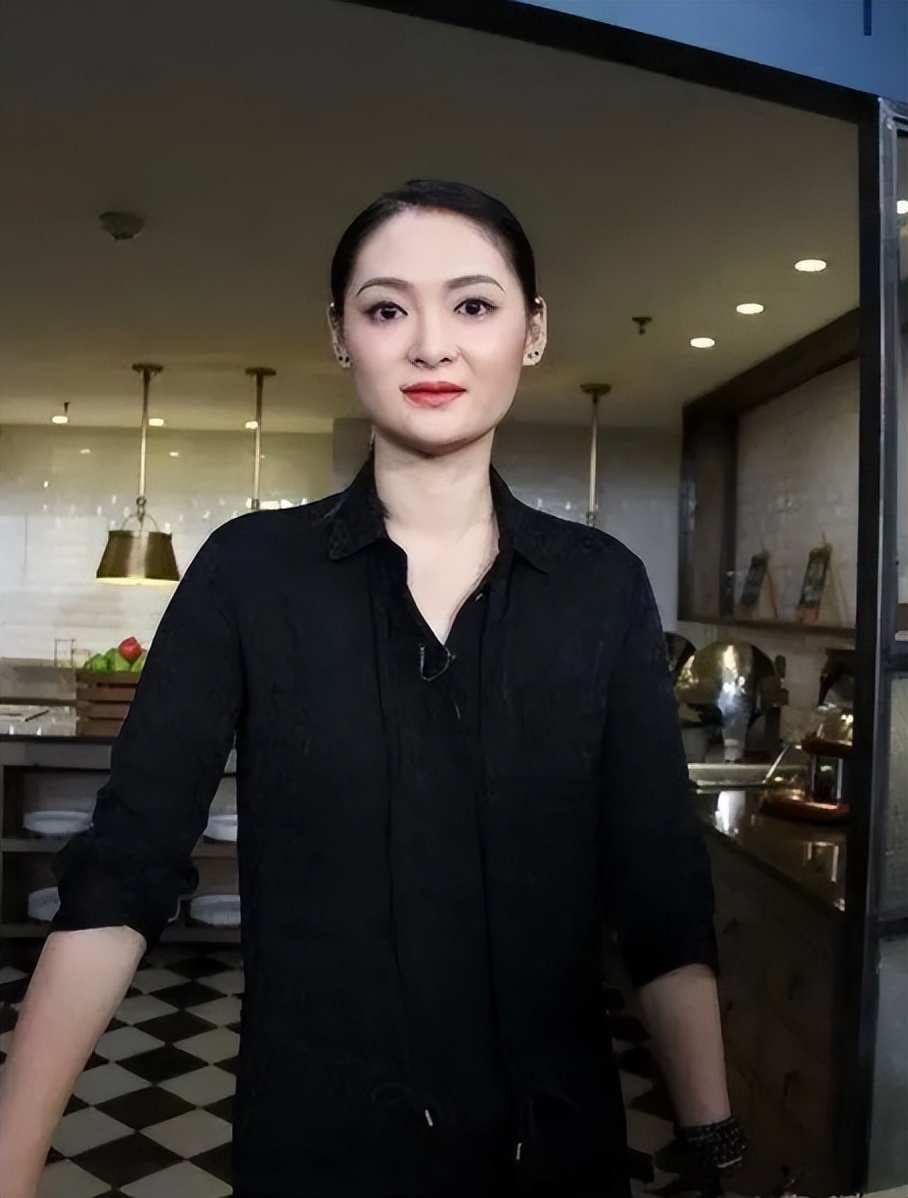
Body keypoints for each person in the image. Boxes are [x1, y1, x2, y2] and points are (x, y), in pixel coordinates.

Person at [0, 180, 743, 1197]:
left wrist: (712, 1148)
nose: (432, 345)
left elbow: (661, 896)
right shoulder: (249, 573)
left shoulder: (602, 587)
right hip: (320, 1154)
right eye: (387, 308)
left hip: (554, 1153)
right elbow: (124, 869)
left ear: (532, 331)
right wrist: (11, 1162)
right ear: (341, 336)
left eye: (473, 304)